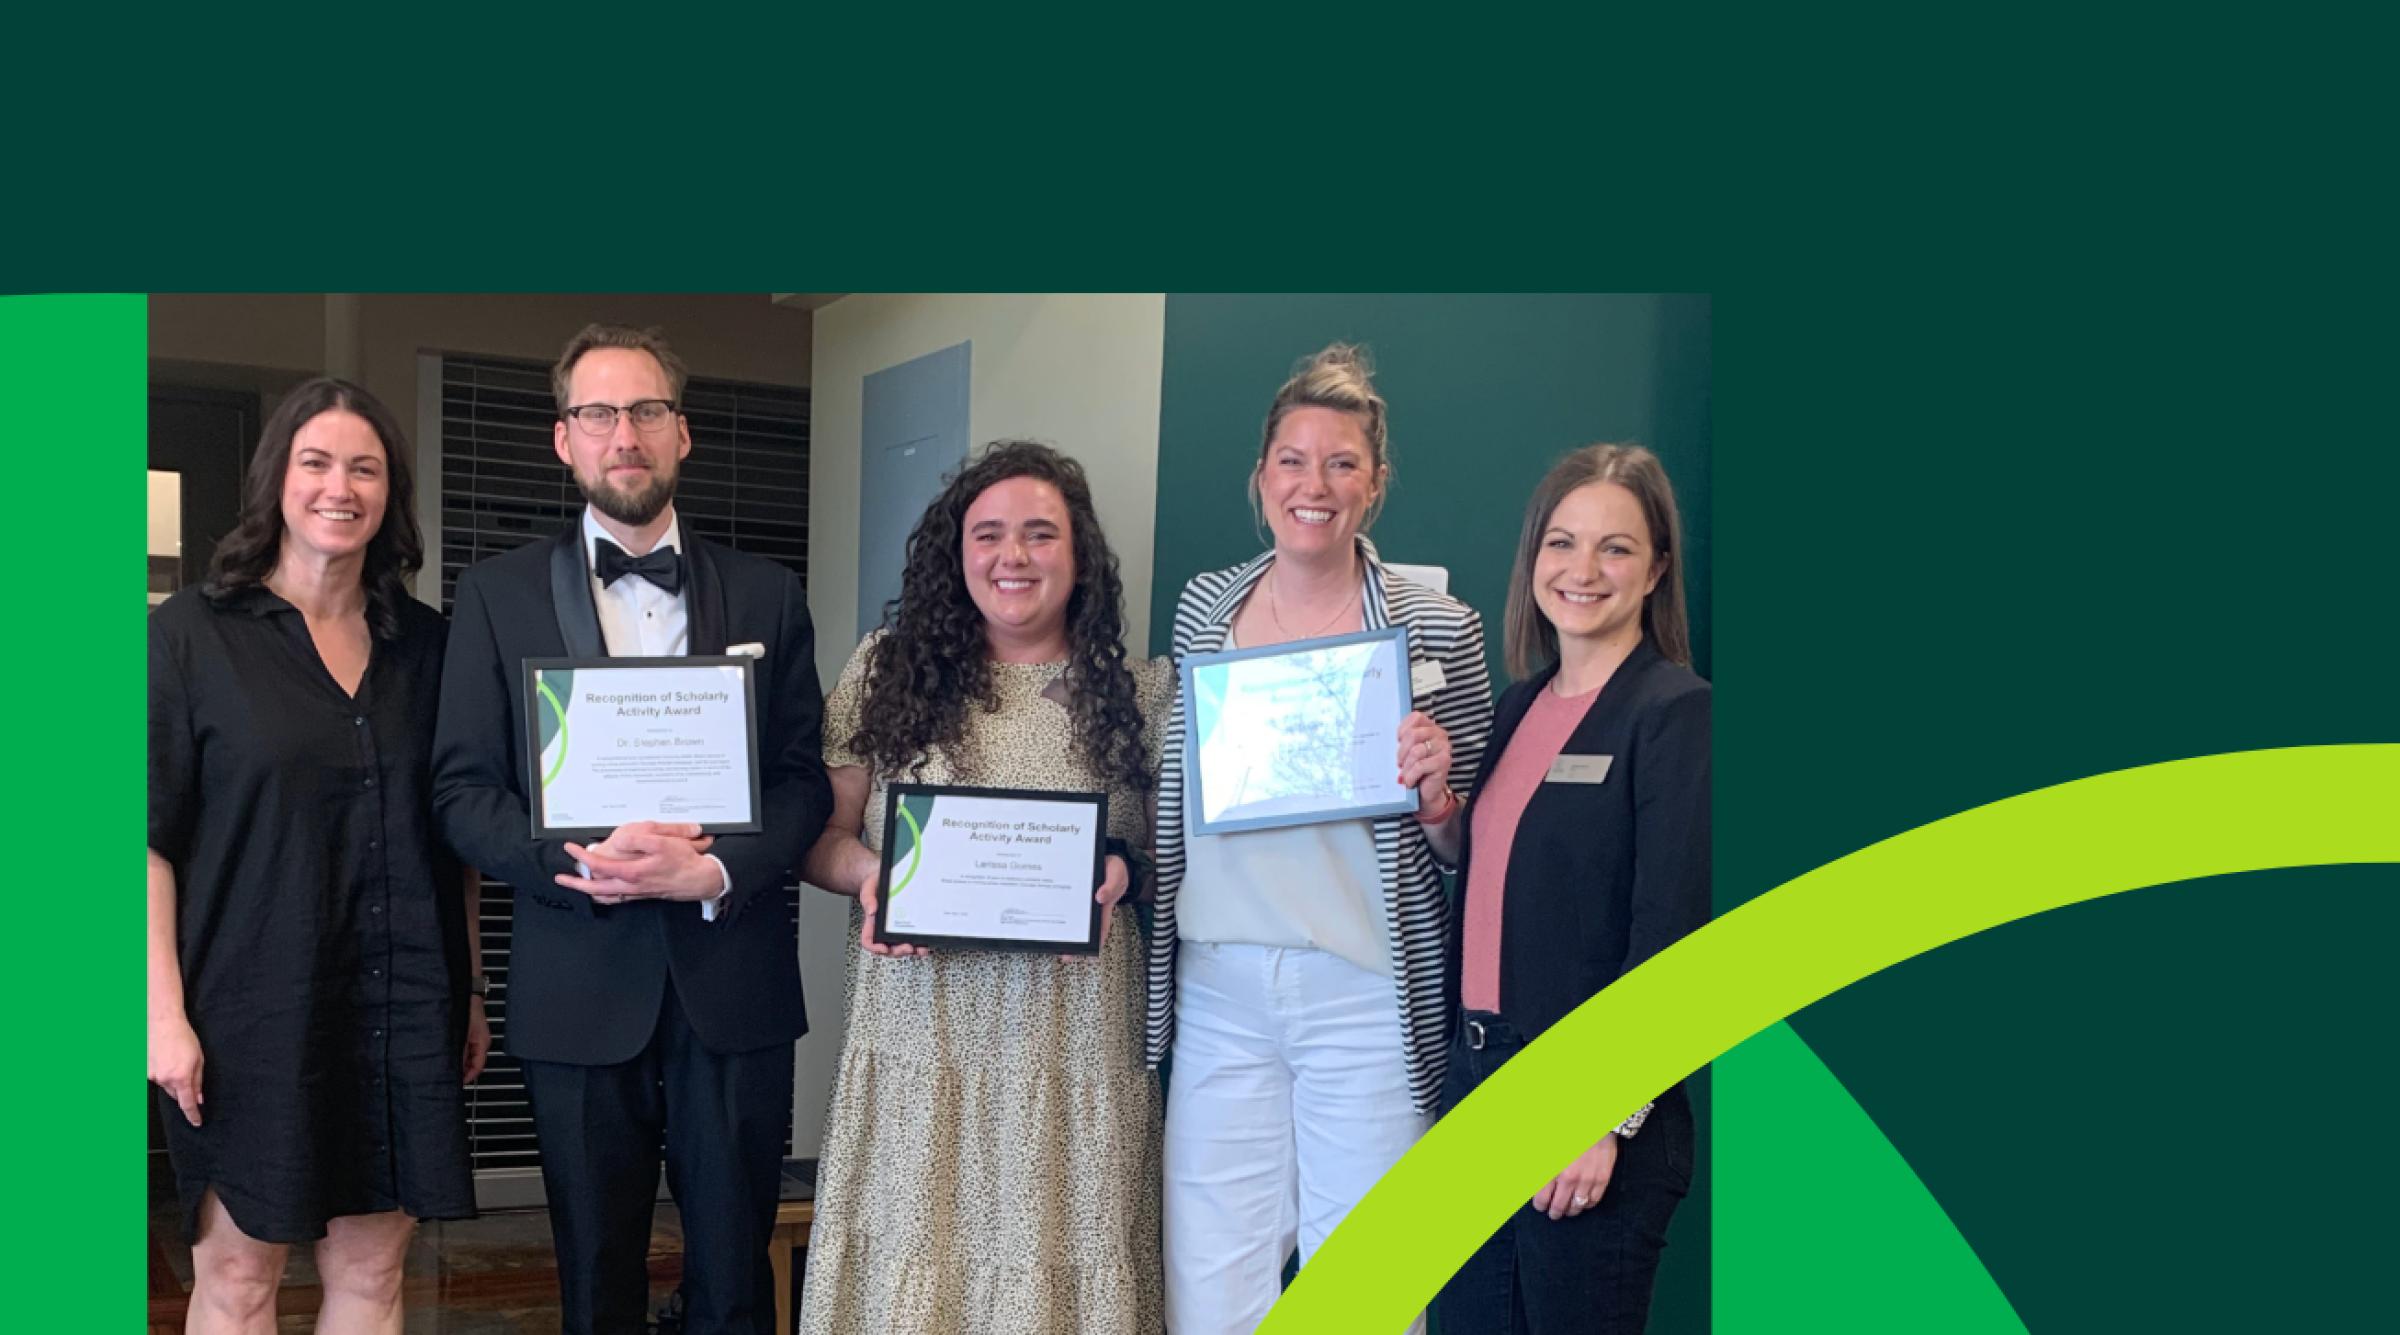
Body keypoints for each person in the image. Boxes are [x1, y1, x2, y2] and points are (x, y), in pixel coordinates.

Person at [431, 324, 833, 1335]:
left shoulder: (768, 594)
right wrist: (568, 857)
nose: (626, 434)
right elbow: (463, 791)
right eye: (599, 413)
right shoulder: (493, 598)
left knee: (737, 1281)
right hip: (579, 986)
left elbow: (801, 786)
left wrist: (716, 873)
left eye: (647, 411)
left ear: (683, 434)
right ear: (563, 439)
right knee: (595, 1279)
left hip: (731, 987)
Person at [1151, 344, 1494, 1333]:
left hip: (1366, 993)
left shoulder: (1437, 624)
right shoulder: (1206, 607)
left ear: (1375, 485)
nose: (1316, 485)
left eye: (1343, 464)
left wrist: (1438, 800)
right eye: (1294, 461)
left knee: (1371, 1275)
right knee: (1211, 1276)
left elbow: (1469, 849)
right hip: (1220, 990)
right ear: (1261, 478)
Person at [797, 441, 1168, 1334]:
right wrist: (874, 878)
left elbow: (1164, 855)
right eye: (990, 534)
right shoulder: (885, 670)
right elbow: (824, 841)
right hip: (922, 1028)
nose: (1014, 556)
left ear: (1079, 556)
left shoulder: (1142, 690)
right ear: (954, 553)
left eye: (1041, 534)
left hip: (1072, 1040)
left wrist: (1124, 868)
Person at [148, 378, 484, 1334]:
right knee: (241, 1283)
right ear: (277, 481)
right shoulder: (186, 639)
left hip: (402, 1007)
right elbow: (144, 843)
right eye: (318, 462)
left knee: (375, 1280)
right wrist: (160, 1014)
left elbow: (448, 833)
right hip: (247, 1013)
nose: (342, 487)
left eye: (366, 468)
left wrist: (468, 991)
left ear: (390, 494)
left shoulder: (431, 648)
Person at [1429, 444, 1709, 1335]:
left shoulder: (1675, 712)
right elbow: (1506, 881)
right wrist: (1442, 813)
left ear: (1658, 566)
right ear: (1533, 559)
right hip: (1478, 1085)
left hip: (1585, 1112)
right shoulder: (1520, 706)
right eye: (1562, 543)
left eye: (1615, 548)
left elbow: (1673, 941)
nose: (1582, 570)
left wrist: (1600, 1116)